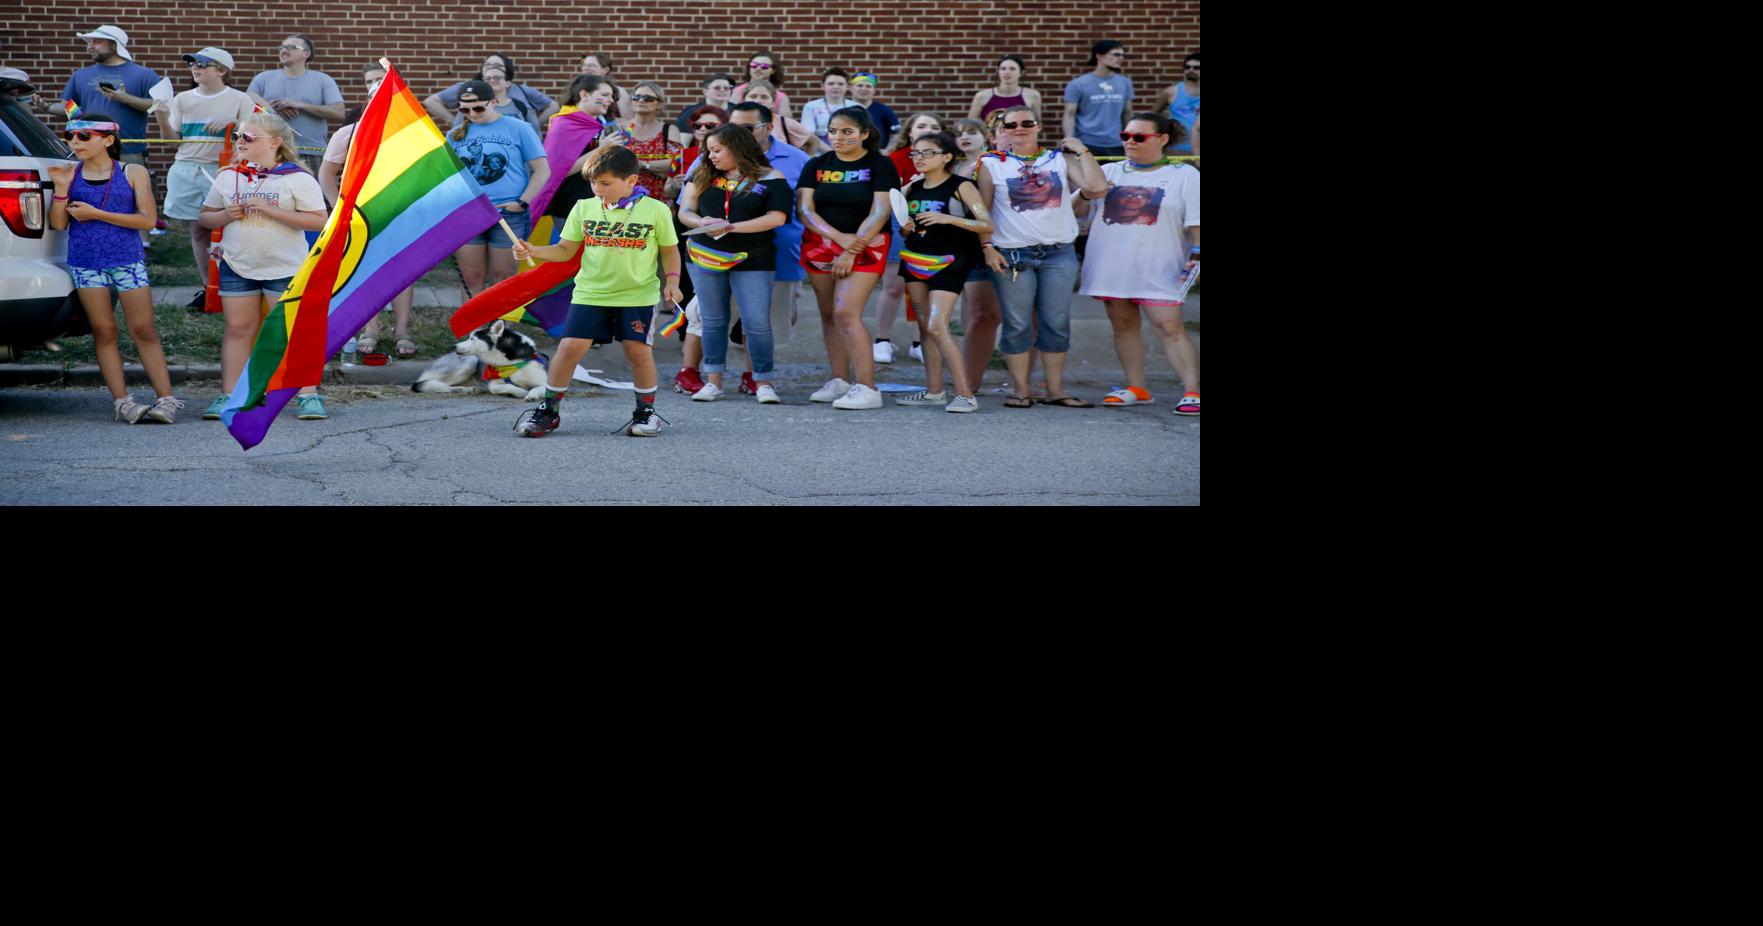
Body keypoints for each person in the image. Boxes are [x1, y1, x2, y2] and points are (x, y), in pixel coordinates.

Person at [511, 146, 683, 438]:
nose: (597, 189)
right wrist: (534, 249)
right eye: (593, 183)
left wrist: (673, 281)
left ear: (630, 181)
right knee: (569, 348)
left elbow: (669, 250)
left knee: (637, 350)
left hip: (636, 294)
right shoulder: (584, 207)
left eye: (605, 183)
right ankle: (549, 411)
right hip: (590, 292)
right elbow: (565, 250)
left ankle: (646, 413)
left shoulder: (656, 210)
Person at [46, 115, 182, 423]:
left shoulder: (132, 171)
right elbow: (58, 222)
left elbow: (147, 220)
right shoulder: (70, 173)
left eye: (84, 136)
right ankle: (123, 402)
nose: (75, 142)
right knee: (104, 330)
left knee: (143, 329)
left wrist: (96, 213)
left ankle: (167, 399)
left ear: (108, 140)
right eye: (71, 136)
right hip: (86, 262)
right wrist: (62, 189)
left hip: (127, 260)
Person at [195, 111, 330, 420]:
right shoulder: (230, 175)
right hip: (237, 264)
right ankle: (231, 393)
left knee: (291, 332)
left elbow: (319, 221)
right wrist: (227, 215)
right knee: (238, 329)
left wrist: (272, 211)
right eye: (237, 136)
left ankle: (308, 394)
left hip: (285, 267)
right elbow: (205, 217)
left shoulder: (297, 178)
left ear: (275, 142)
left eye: (248, 137)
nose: (239, 141)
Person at [674, 100, 812, 399]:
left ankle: (763, 383)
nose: (710, 156)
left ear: (736, 147)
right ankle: (713, 381)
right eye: (708, 150)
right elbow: (685, 210)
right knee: (712, 320)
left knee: (756, 322)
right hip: (705, 257)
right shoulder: (703, 173)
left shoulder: (770, 177)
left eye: (717, 150)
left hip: (754, 259)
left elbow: (776, 217)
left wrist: (732, 227)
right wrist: (702, 221)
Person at [980, 104, 1109, 408]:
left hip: (1058, 253)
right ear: (1004, 131)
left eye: (1027, 123)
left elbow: (1097, 187)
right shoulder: (990, 163)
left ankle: (1055, 390)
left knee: (1056, 322)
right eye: (1012, 125)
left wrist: (1082, 150)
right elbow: (982, 210)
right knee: (1017, 324)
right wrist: (987, 247)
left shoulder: (1059, 159)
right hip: (1012, 253)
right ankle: (1021, 390)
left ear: (1038, 126)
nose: (1019, 129)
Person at [1080, 113, 1200, 415]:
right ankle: (1137, 387)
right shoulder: (1106, 171)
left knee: (1169, 326)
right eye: (1126, 136)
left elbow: (1197, 224)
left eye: (1139, 137)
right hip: (1111, 263)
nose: (1130, 142)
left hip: (1161, 264)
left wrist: (1197, 258)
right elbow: (1079, 209)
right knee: (1122, 325)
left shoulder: (1185, 175)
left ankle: (1192, 391)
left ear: (1162, 139)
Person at [796, 107, 898, 409]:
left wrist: (851, 249)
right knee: (828, 312)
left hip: (868, 243)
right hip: (821, 243)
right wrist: (839, 241)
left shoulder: (881, 164)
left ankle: (867, 387)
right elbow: (804, 209)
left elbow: (881, 210)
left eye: (847, 131)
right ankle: (839, 380)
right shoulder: (816, 164)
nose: (838, 137)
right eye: (834, 130)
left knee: (845, 312)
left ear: (865, 134)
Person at [319, 62, 416, 357]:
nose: (375, 85)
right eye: (370, 81)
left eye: (381, 79)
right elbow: (326, 173)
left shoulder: (410, 129)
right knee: (365, 272)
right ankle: (369, 328)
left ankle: (402, 331)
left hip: (400, 212)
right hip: (361, 215)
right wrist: (340, 208)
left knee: (402, 273)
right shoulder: (349, 132)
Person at [894, 131, 990, 413]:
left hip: (950, 262)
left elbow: (986, 224)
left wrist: (947, 218)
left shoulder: (962, 186)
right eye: (915, 153)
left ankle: (965, 394)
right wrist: (906, 228)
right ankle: (934, 391)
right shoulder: (911, 188)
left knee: (937, 324)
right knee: (925, 328)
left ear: (947, 157)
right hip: (914, 261)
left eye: (927, 153)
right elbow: (903, 227)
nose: (919, 159)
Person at [155, 47, 255, 292]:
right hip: (188, 169)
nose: (195, 68)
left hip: (224, 171)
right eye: (193, 64)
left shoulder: (240, 99)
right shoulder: (182, 99)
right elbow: (172, 143)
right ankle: (208, 286)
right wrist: (161, 118)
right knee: (199, 230)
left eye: (203, 64)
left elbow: (254, 137)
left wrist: (233, 126)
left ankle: (234, 284)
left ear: (222, 70)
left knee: (231, 230)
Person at [446, 79, 549, 298]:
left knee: (504, 277)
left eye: (478, 108)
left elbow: (542, 171)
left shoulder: (520, 128)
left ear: (494, 102)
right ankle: (475, 330)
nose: (472, 114)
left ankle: (501, 331)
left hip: (509, 214)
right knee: (471, 277)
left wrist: (521, 203)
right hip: (470, 214)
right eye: (465, 109)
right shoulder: (454, 135)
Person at [874, 111, 944, 365]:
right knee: (893, 286)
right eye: (921, 125)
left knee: (923, 287)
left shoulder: (946, 160)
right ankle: (882, 340)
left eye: (934, 126)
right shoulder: (894, 159)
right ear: (909, 132)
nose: (927, 129)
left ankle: (919, 342)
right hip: (899, 222)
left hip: (934, 225)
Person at [60, 25, 160, 168]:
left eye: (96, 42)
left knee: (131, 190)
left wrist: (125, 98)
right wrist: (47, 107)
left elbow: (159, 105)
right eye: (89, 42)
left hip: (128, 153)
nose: (90, 47)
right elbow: (69, 107)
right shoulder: (80, 75)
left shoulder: (144, 74)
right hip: (89, 150)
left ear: (114, 46)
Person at [534, 75, 618, 244]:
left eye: (612, 96)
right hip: (571, 203)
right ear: (584, 95)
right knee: (576, 261)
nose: (611, 100)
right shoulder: (564, 124)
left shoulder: (602, 123)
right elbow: (557, 171)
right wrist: (601, 149)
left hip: (599, 200)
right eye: (605, 95)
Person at [951, 118, 1001, 393]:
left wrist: (987, 244)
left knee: (985, 314)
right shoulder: (952, 166)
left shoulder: (990, 165)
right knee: (972, 314)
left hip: (986, 243)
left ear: (987, 136)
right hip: (955, 245)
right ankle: (962, 380)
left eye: (972, 132)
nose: (965, 137)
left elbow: (986, 209)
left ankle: (971, 381)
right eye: (959, 134)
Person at [246, 35, 343, 173]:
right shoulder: (263, 78)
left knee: (310, 194)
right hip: (271, 152)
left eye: (290, 47)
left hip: (311, 153)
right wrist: (272, 109)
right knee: (271, 195)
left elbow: (338, 112)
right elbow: (246, 102)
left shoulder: (322, 80)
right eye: (282, 47)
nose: (284, 51)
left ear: (306, 54)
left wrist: (299, 105)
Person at [424, 54, 555, 134]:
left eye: (497, 65)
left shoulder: (521, 91)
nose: (492, 68)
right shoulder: (466, 88)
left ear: (506, 76)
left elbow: (553, 106)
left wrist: (532, 125)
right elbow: (431, 102)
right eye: (488, 64)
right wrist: (455, 122)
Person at [611, 81, 684, 204]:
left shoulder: (668, 130)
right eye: (636, 97)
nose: (641, 101)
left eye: (648, 98)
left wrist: (643, 165)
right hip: (623, 197)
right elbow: (612, 162)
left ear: (659, 104)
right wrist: (658, 167)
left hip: (659, 198)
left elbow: (676, 162)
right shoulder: (619, 128)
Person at [1063, 40, 1134, 159]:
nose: (1120, 58)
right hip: (1087, 143)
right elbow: (1070, 114)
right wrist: (1069, 140)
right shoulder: (1078, 84)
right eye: (1116, 54)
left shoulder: (1125, 83)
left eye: (1122, 55)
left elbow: (1127, 113)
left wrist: (1130, 139)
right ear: (1099, 56)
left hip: (1116, 143)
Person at [737, 80, 818, 153]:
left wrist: (806, 165)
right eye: (753, 96)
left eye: (764, 97)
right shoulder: (735, 122)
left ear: (773, 102)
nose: (758, 100)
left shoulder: (785, 123)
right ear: (744, 99)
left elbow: (813, 142)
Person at [1150, 52, 1200, 155]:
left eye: (1196, 67)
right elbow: (1152, 116)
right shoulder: (1171, 92)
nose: (1191, 70)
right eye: (1187, 67)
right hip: (1176, 148)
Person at [968, 55, 1043, 122]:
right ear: (998, 72)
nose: (1007, 72)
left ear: (1021, 72)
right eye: (1003, 69)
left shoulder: (1033, 96)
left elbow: (1037, 126)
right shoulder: (982, 96)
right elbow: (970, 125)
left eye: (1012, 69)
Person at [800, 68, 860, 146]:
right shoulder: (811, 107)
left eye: (840, 84)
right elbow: (808, 135)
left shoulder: (856, 107)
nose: (836, 87)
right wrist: (830, 151)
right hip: (820, 154)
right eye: (831, 84)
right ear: (823, 86)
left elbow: (860, 134)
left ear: (847, 86)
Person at [731, 51, 792, 119]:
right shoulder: (736, 92)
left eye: (764, 66)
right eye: (754, 65)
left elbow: (786, 123)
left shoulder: (781, 97)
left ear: (773, 70)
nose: (758, 68)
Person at [576, 52, 633, 120]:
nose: (585, 68)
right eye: (584, 65)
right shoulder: (576, 89)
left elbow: (628, 120)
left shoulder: (619, 92)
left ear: (605, 69)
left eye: (591, 65)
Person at [849, 72, 900, 143]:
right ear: (851, 88)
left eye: (868, 86)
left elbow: (896, 134)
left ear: (874, 90)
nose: (864, 89)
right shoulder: (843, 108)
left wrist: (887, 151)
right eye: (860, 85)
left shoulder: (884, 110)